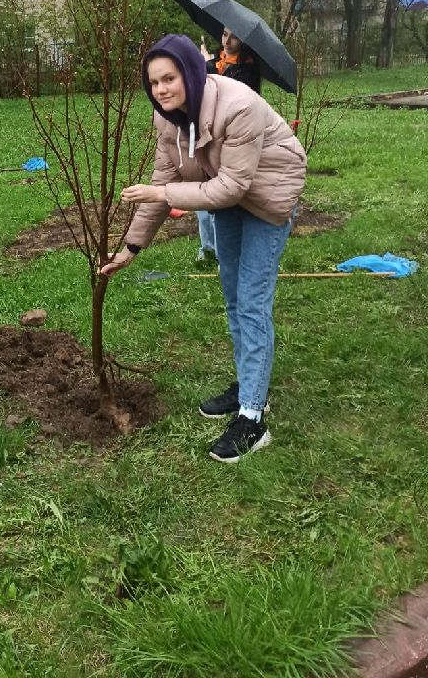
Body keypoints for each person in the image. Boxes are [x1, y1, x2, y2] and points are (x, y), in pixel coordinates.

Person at [101, 34, 306, 463]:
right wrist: (131, 248)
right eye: (153, 82)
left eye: (169, 78)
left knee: (251, 303)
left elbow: (231, 186)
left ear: (191, 74)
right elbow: (162, 184)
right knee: (233, 298)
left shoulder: (239, 105)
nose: (161, 89)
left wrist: (164, 195)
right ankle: (250, 385)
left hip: (268, 200)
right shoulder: (168, 120)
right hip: (226, 196)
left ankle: (253, 417)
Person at [195, 28, 262, 264]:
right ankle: (208, 247)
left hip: (232, 138)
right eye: (224, 34)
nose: (228, 40)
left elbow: (227, 91)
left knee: (223, 193)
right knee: (202, 191)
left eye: (234, 36)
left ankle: (226, 248)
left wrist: (207, 67)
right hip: (208, 132)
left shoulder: (249, 67)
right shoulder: (217, 60)